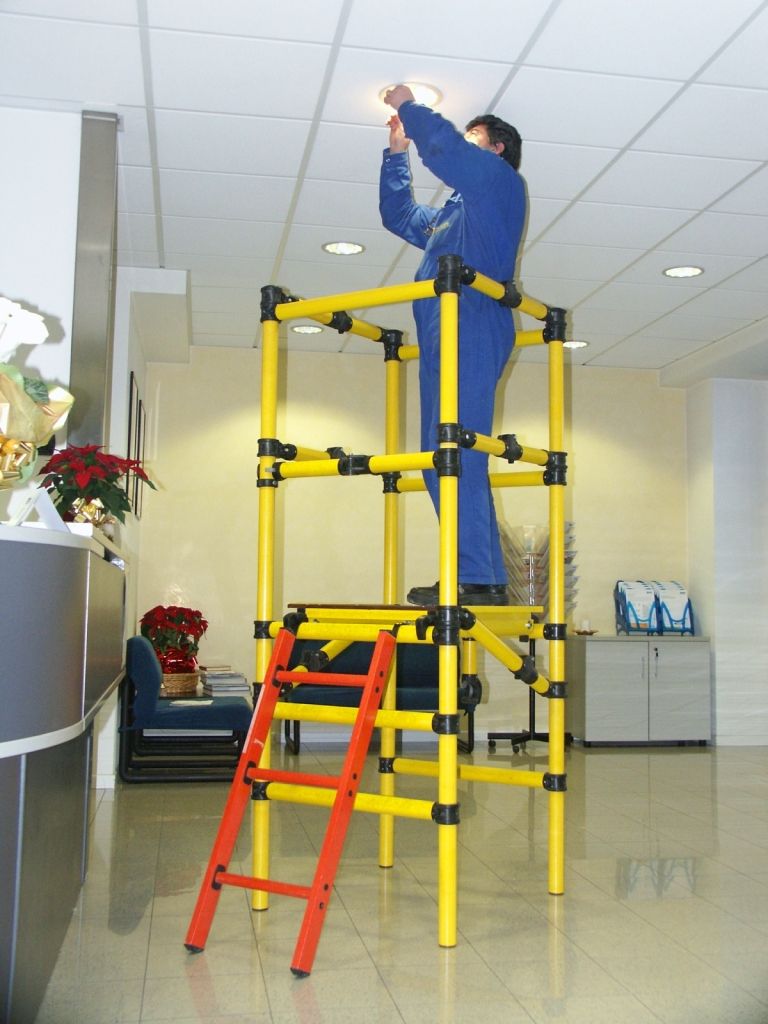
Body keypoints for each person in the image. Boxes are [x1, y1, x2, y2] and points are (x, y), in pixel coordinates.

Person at [379, 84, 526, 607]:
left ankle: (476, 575)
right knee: (439, 456)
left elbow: (447, 152)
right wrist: (396, 153)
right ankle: (481, 576)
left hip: (474, 323)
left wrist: (408, 106)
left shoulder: (500, 187)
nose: (465, 143)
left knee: (453, 451)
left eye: (474, 137)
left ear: (497, 149)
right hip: (442, 329)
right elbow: (399, 217)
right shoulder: (452, 217)